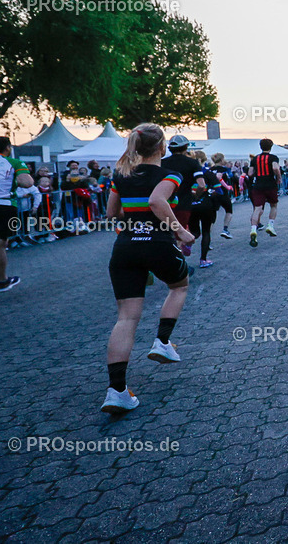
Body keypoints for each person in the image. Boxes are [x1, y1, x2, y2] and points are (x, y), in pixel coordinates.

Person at [101, 124, 196, 413]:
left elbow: (111, 213)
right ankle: (162, 341)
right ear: (162, 148)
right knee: (179, 286)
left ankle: (117, 391)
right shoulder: (169, 173)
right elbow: (157, 200)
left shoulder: (121, 174)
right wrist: (181, 232)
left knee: (126, 318)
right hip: (157, 242)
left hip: (125, 247)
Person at [0, 136, 33, 292]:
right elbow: (27, 182)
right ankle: (2, 281)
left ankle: (3, 281)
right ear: (8, 148)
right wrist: (14, 179)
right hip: (3, 206)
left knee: (0, 244)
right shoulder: (14, 162)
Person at [160, 135, 207, 257]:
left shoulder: (162, 163)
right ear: (186, 147)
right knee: (179, 236)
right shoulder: (192, 163)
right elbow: (202, 185)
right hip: (183, 204)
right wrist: (196, 196)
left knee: (164, 234)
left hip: (163, 204)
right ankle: (178, 267)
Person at [189, 151, 221, 268]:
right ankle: (203, 260)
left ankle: (187, 245)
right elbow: (218, 189)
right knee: (206, 231)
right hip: (206, 204)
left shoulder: (188, 173)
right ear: (203, 160)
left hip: (191, 204)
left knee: (194, 232)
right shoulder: (207, 173)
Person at [248, 139, 281, 247]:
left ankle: (253, 229)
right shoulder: (273, 157)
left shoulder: (255, 158)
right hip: (270, 184)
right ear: (271, 146)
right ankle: (270, 225)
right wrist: (278, 177)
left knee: (257, 208)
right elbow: (275, 167)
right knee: (273, 205)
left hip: (258, 185)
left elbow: (250, 173)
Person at [210, 153, 235, 239]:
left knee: (212, 216)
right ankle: (225, 229)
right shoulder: (224, 169)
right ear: (221, 160)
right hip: (222, 192)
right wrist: (227, 187)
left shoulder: (210, 169)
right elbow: (220, 177)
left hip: (212, 193)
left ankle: (208, 237)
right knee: (229, 210)